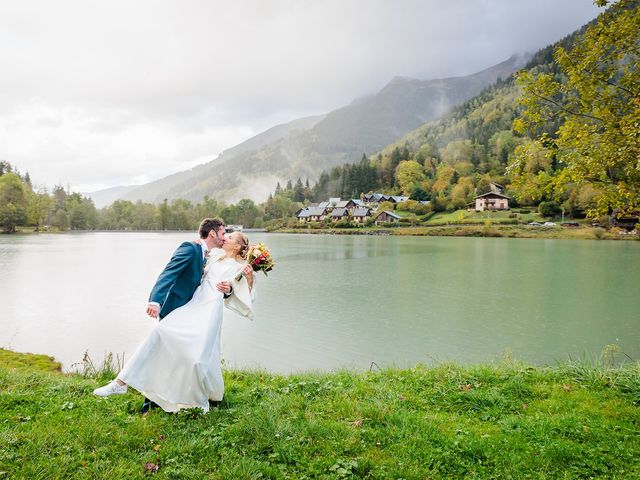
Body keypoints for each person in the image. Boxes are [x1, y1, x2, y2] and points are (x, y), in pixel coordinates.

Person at [93, 231, 254, 413]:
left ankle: (195, 400)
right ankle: (121, 382)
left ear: (238, 246)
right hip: (194, 303)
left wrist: (235, 286)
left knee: (197, 358)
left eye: (231, 237)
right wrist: (200, 244)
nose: (226, 238)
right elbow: (200, 260)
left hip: (211, 309)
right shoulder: (215, 256)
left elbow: (240, 293)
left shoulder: (241, 267)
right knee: (161, 332)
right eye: (225, 234)